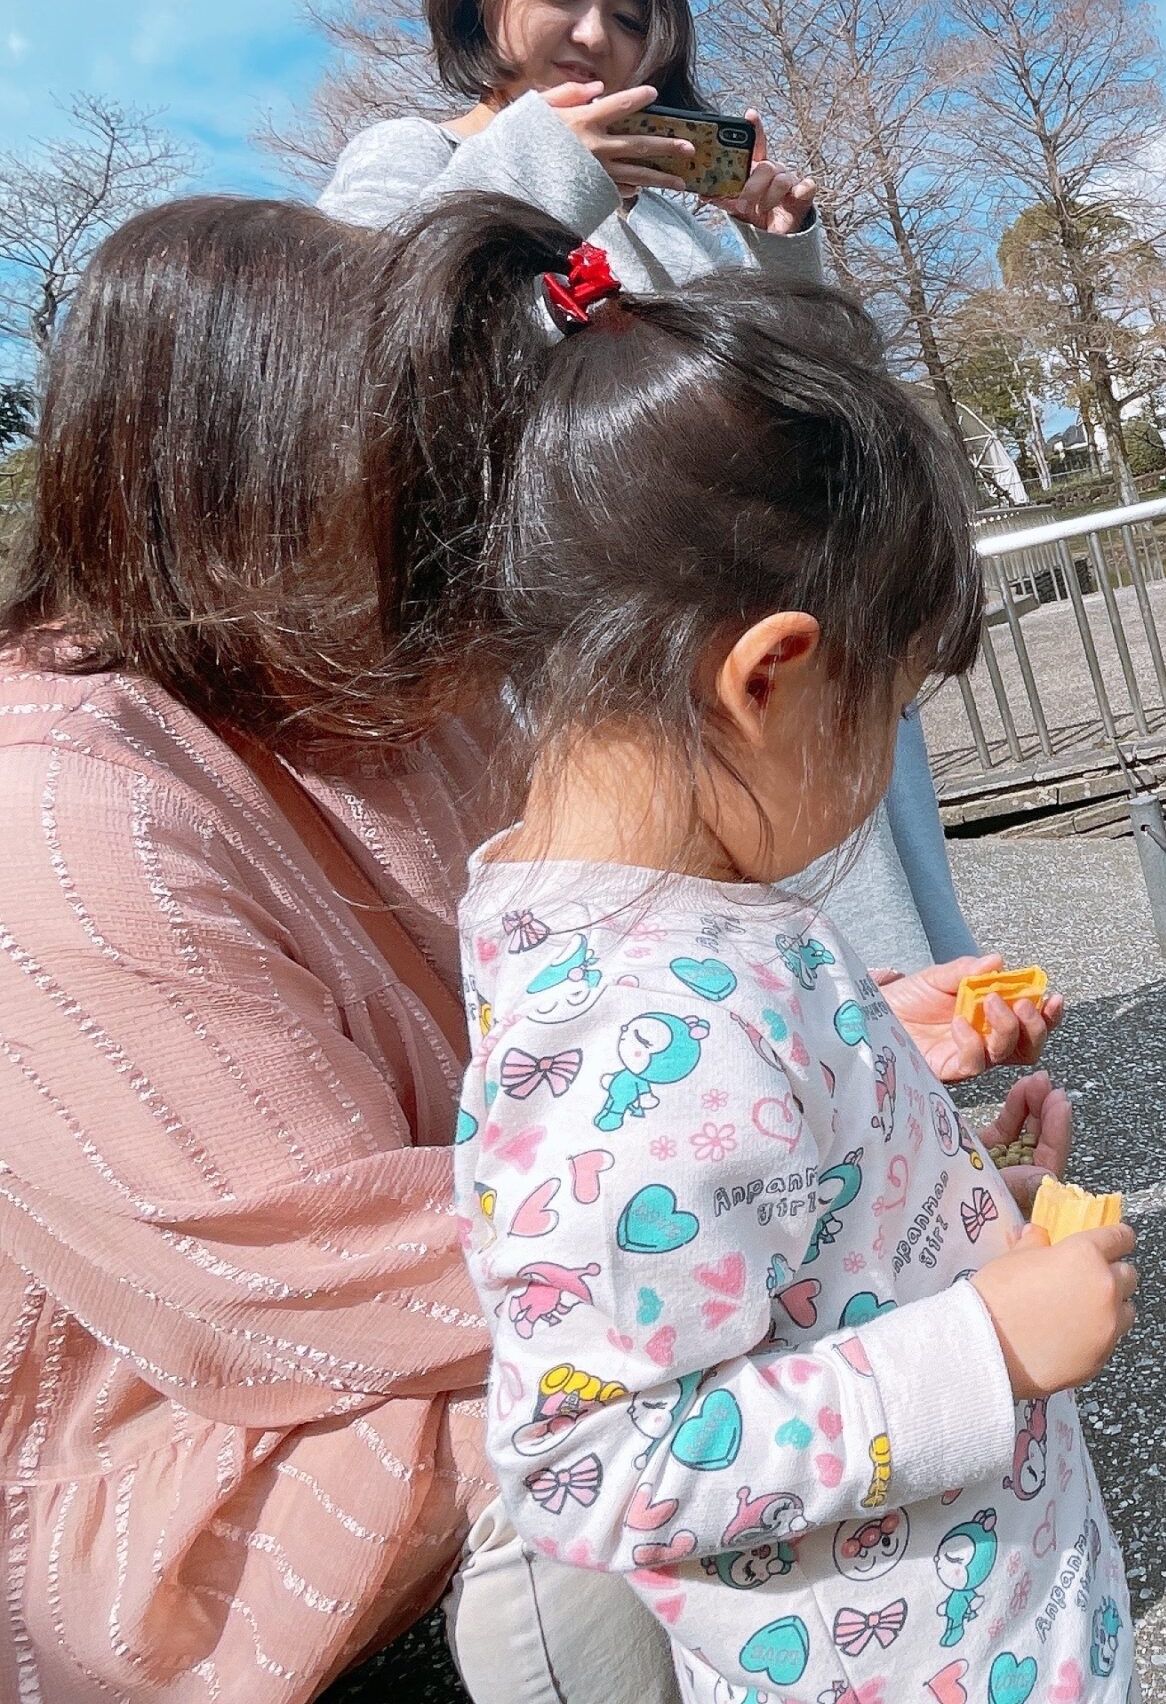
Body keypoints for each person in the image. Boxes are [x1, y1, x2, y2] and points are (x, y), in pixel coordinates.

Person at [0, 193, 1068, 1704]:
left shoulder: (373, 690)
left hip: (541, 1279)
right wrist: (871, 1244)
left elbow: (606, 1037)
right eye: (428, 481)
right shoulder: (54, 809)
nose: (480, 536)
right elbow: (307, 1278)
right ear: (233, 482)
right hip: (260, 1456)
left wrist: (849, 1058)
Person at [454, 241, 1134, 1703]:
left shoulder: (693, 908)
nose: (883, 757)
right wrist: (983, 1351)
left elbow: (761, 1244)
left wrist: (952, 1209)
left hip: (985, 1620)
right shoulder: (632, 1018)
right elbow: (596, 1466)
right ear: (770, 677)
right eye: (885, 706)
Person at [314, 0, 974, 976]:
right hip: (613, 650)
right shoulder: (414, 160)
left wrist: (778, 246)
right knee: (706, 957)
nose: (595, 36)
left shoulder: (663, 210)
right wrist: (543, 173)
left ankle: (914, 1116)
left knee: (855, 915)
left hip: (772, 606)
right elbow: (356, 350)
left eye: (628, 13)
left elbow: (799, 399)